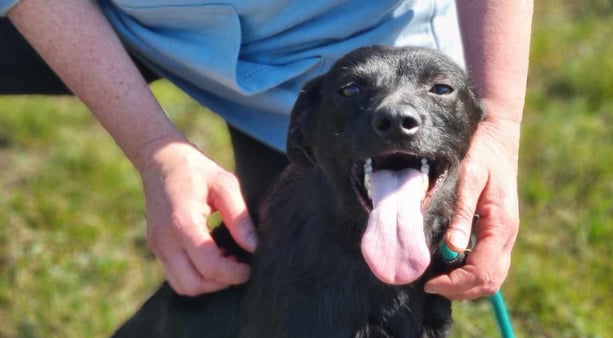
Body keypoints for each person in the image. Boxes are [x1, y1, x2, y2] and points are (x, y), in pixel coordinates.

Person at [1, 0, 532, 300]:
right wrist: (153, 146)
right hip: (138, 21)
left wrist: (499, 121)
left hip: (350, 44)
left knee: (323, 273)